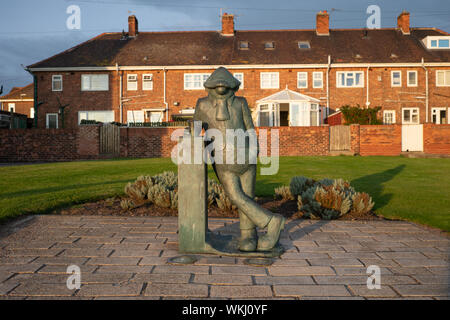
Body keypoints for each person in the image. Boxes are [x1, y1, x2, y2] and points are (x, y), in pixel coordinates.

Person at [193, 67, 285, 252]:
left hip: (246, 155)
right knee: (235, 195)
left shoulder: (240, 103)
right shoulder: (203, 105)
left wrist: (255, 148)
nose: (221, 88)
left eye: (225, 84)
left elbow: (249, 127)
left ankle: (249, 236)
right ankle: (270, 221)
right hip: (222, 157)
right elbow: (194, 130)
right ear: (210, 86)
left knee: (247, 195)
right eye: (217, 84)